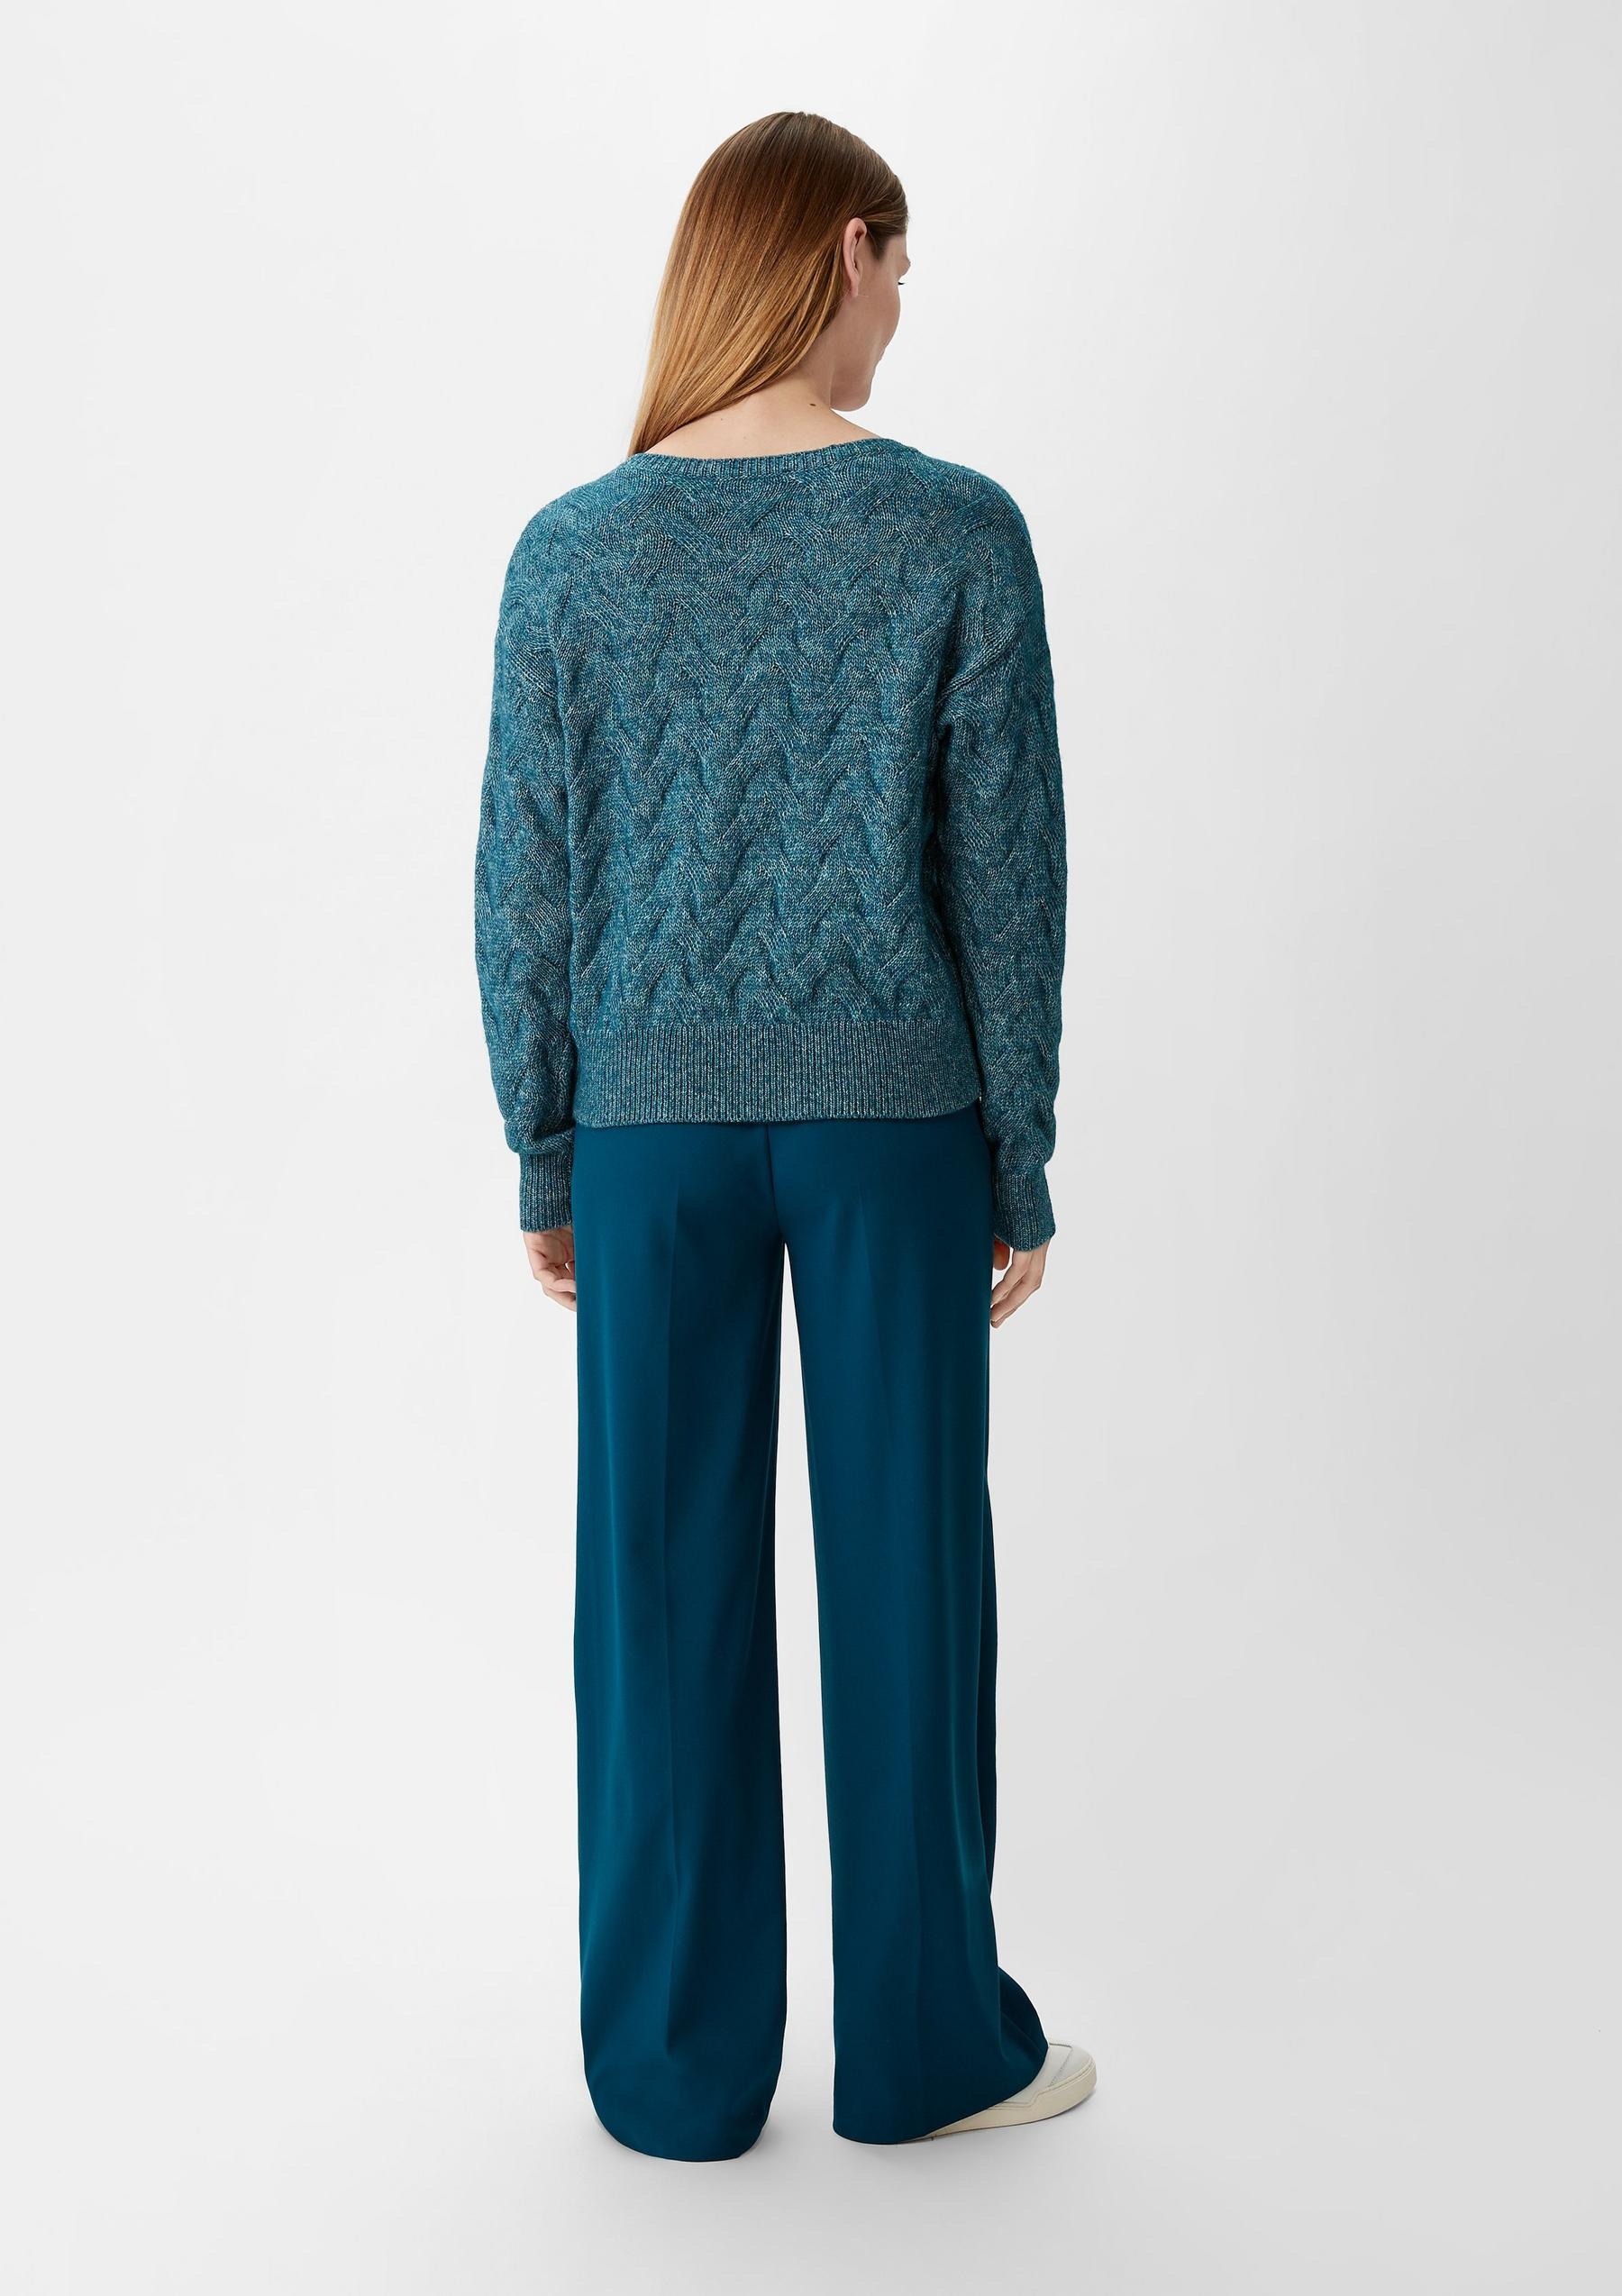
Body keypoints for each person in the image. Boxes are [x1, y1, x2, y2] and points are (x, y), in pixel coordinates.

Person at [474, 109, 1091, 2160]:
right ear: (845, 247)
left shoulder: (572, 549)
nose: (904, 309)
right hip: (893, 1127)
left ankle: (672, 2078)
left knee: (656, 1595)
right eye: (901, 267)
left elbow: (525, 882)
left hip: (649, 1140)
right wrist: (1018, 1155)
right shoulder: (953, 529)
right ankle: (927, 2052)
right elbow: (1008, 876)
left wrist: (548, 1145)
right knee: (911, 1575)